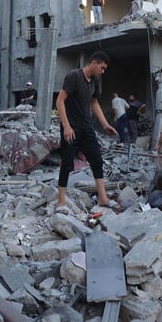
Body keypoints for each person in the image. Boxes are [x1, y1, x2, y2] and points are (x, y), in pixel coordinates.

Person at [56, 52, 117, 211]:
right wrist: (66, 126)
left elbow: (94, 102)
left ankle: (103, 198)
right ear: (94, 63)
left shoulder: (95, 81)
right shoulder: (74, 76)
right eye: (102, 68)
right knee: (67, 163)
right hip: (71, 127)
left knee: (97, 160)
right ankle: (61, 201)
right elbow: (60, 101)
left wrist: (104, 125)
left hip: (86, 127)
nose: (102, 71)